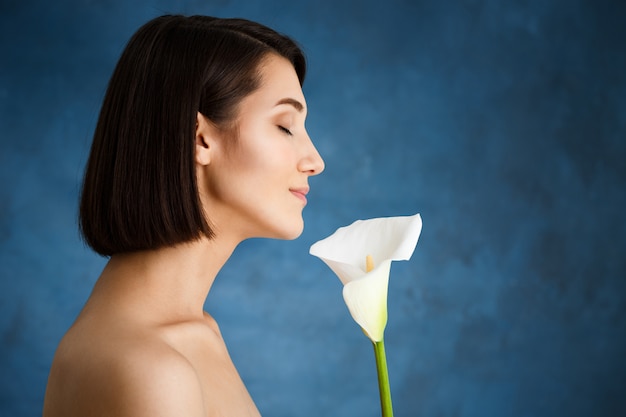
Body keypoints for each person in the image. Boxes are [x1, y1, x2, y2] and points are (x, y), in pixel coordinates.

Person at [43, 14, 325, 417]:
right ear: (199, 138)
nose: (315, 161)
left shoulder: (196, 333)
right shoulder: (150, 368)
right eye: (285, 125)